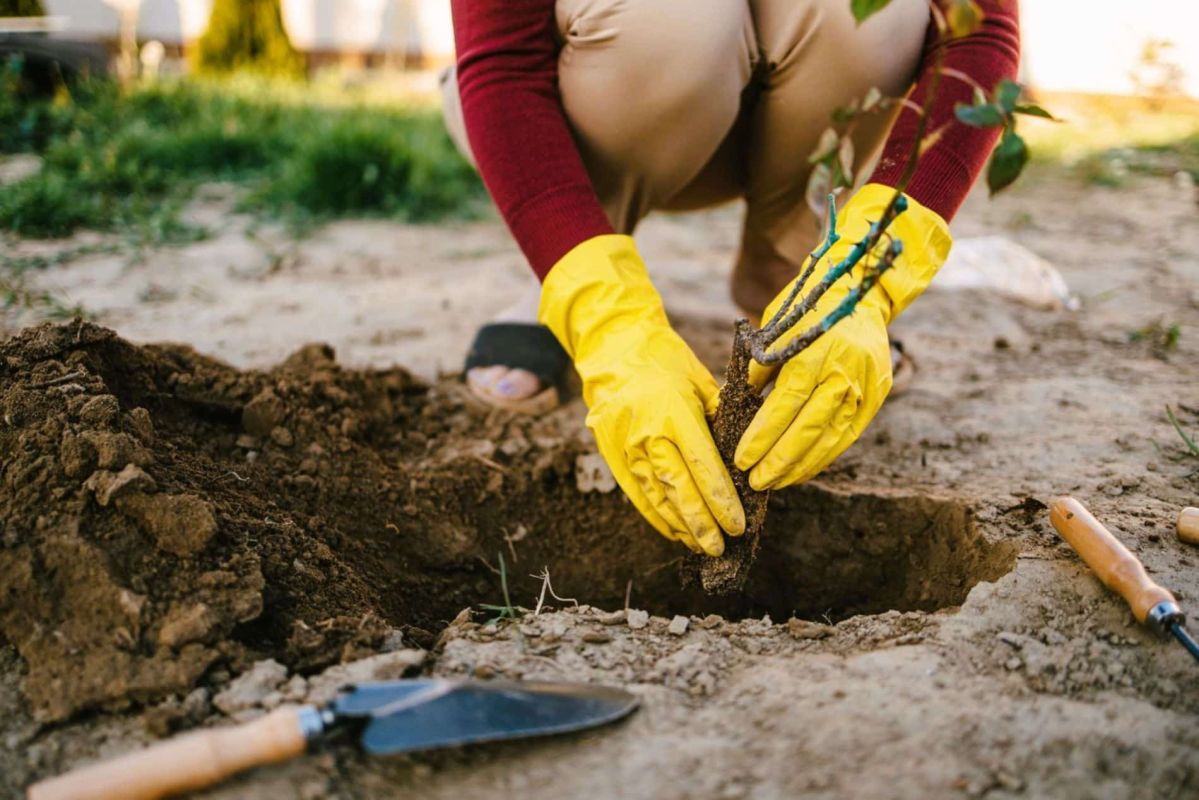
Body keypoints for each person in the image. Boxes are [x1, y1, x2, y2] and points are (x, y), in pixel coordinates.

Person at [442, 0, 1019, 557]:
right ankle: (571, 271)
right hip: (590, 95)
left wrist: (867, 279)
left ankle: (793, 265)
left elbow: (979, 32)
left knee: (876, 12)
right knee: (680, 15)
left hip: (781, 109)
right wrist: (609, 324)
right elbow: (503, 64)